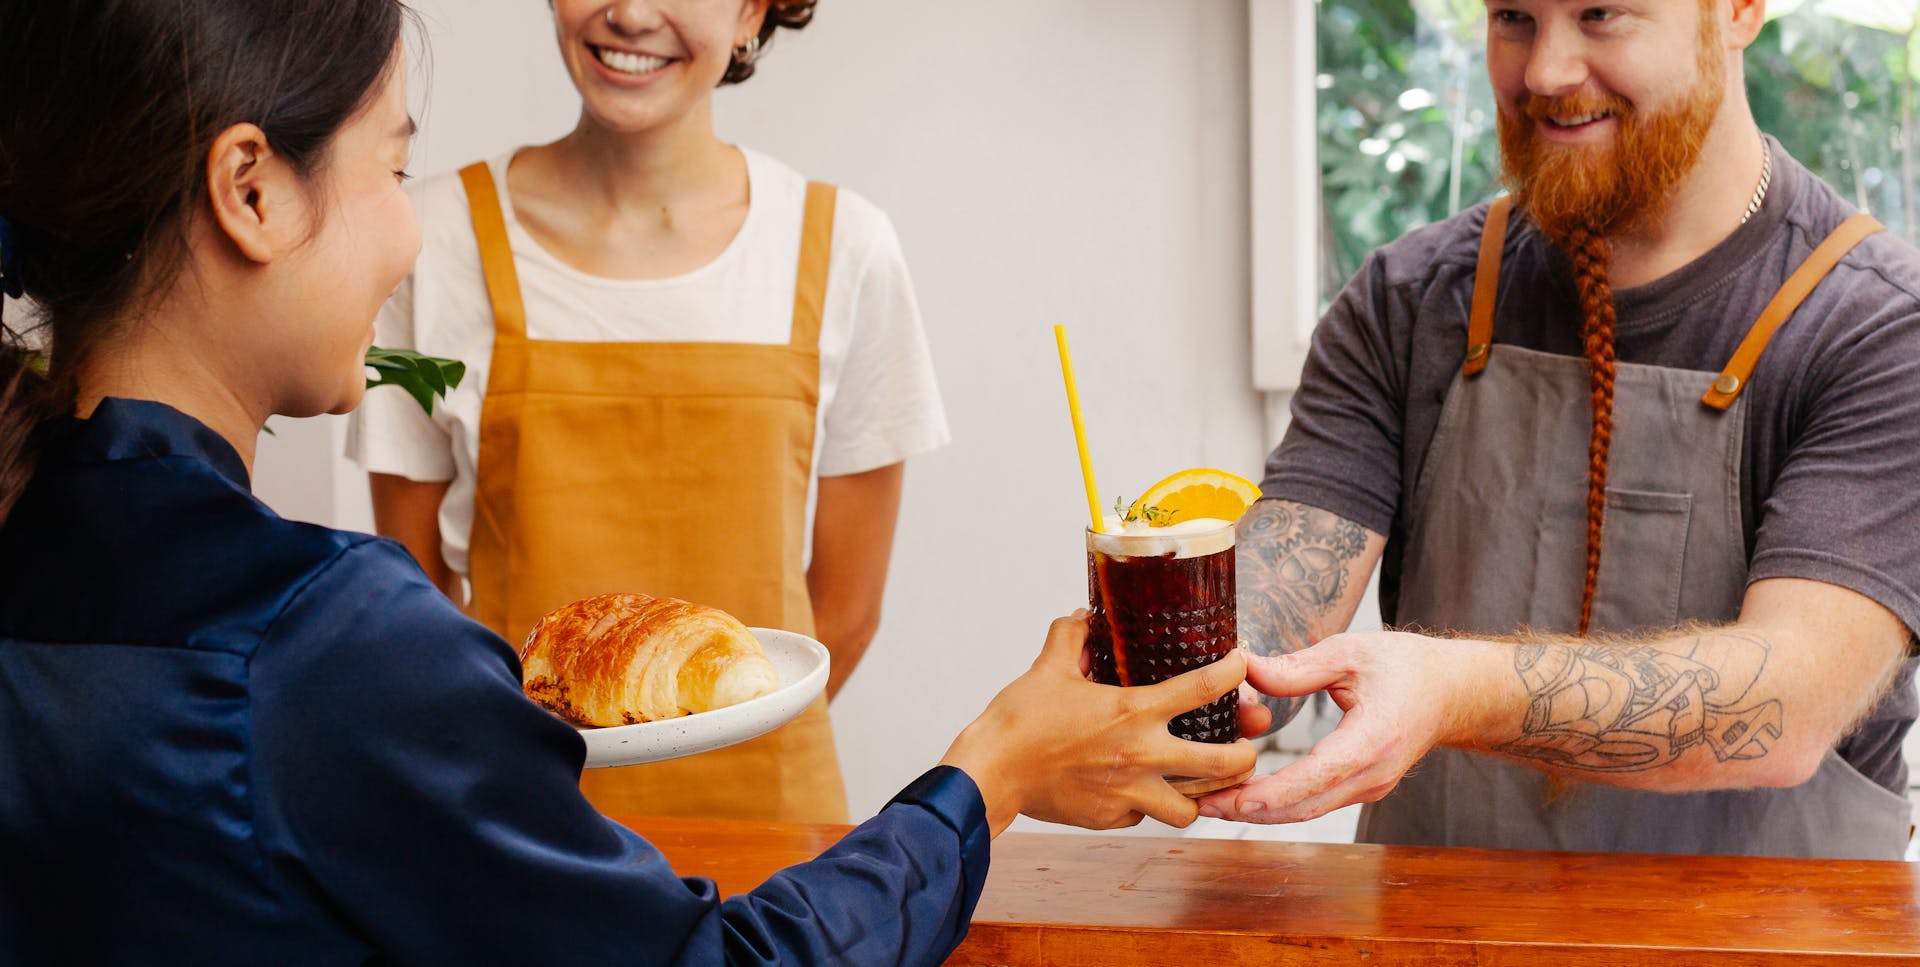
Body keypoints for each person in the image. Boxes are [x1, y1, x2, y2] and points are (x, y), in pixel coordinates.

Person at [0, 2, 1262, 961]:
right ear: (251, 190)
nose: (407, 226)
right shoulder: (324, 648)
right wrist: (994, 772)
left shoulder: (51, 552)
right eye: (392, 168)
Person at [1207, 0, 1919, 860]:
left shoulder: (1880, 329)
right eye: (1513, 16)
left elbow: (1785, 704)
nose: (1545, 71)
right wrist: (1188, 674)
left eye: (1601, 14)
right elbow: (1273, 610)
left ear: (1737, 11)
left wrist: (1449, 690)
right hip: (1439, 948)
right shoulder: (1411, 299)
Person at [345, 0, 937, 825]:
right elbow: (413, 601)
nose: (627, 12)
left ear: (752, 12)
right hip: (516, 822)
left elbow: (846, 610)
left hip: (766, 831)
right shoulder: (430, 242)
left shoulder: (846, 250)